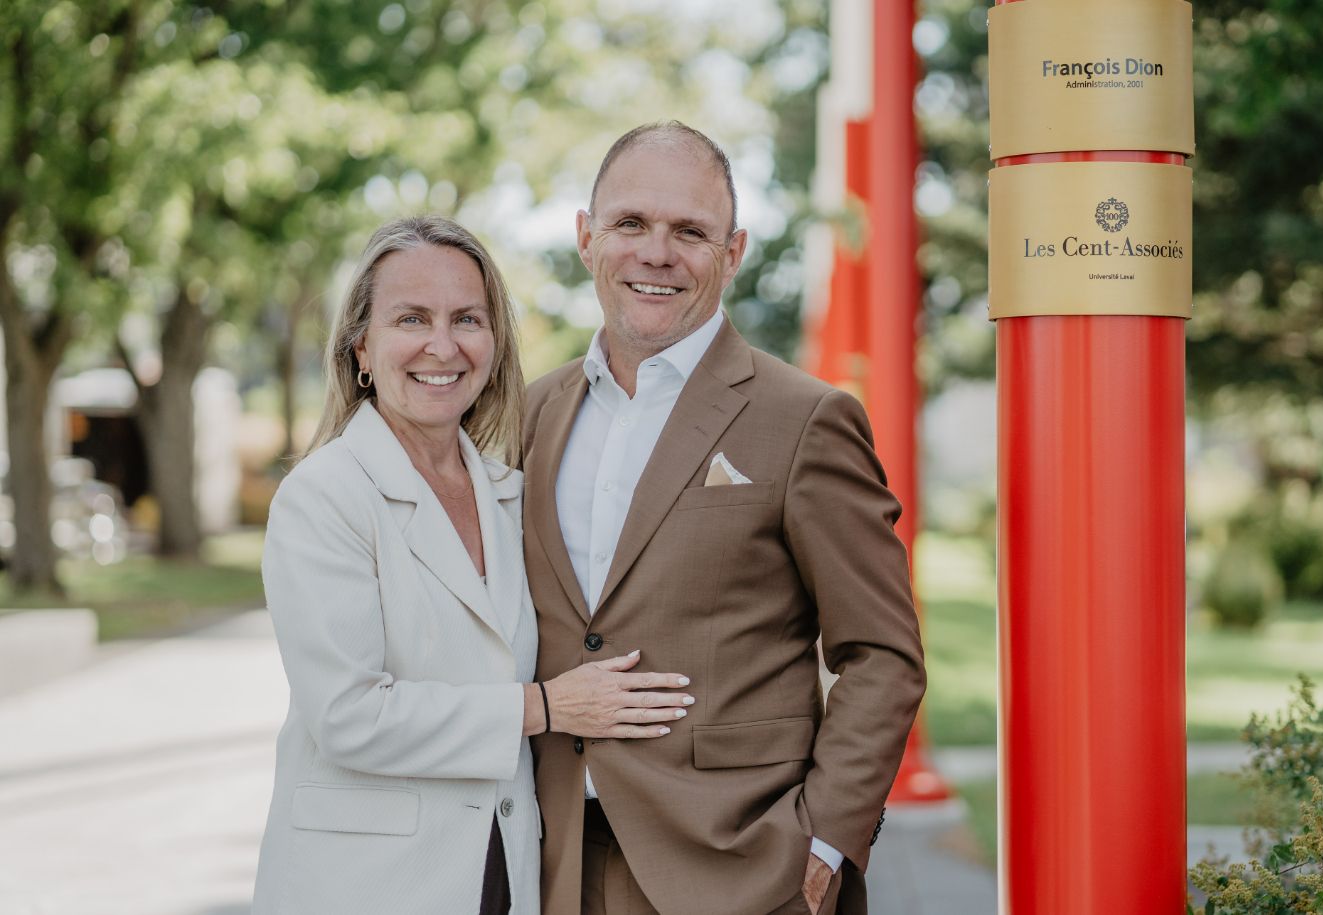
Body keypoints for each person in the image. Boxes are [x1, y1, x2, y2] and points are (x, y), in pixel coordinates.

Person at [520, 123, 927, 915]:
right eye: (631, 224)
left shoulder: (806, 418)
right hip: (555, 858)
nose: (656, 252)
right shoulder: (534, 411)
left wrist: (823, 844)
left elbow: (882, 654)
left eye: (690, 232)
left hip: (739, 868)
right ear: (586, 237)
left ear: (732, 252)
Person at [253, 216, 696, 915]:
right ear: (362, 347)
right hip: (364, 882)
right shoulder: (324, 495)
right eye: (411, 318)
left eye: (467, 318)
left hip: (500, 865)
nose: (443, 344)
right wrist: (544, 707)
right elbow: (349, 714)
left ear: (494, 344)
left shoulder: (512, 492)